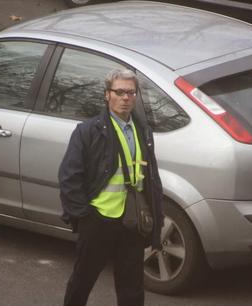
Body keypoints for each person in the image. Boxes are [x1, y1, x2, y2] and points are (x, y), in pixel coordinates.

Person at [58, 68, 164, 306]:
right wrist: (83, 216)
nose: (126, 98)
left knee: (132, 289)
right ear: (107, 95)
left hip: (132, 222)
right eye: (119, 92)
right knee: (82, 281)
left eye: (130, 92)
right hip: (98, 220)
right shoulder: (88, 131)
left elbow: (152, 179)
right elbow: (69, 178)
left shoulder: (143, 131)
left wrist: (157, 223)